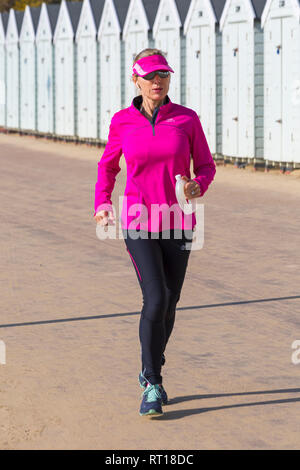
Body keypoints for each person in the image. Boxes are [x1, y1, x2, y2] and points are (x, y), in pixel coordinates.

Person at [93, 48, 216, 416]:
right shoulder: (122, 122)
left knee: (171, 302)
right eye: (150, 76)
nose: (157, 81)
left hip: (179, 221)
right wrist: (102, 202)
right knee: (157, 299)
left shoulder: (187, 119)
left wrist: (198, 185)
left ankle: (152, 363)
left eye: (163, 74)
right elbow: (108, 165)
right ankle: (152, 380)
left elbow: (206, 166)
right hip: (139, 220)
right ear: (136, 80)